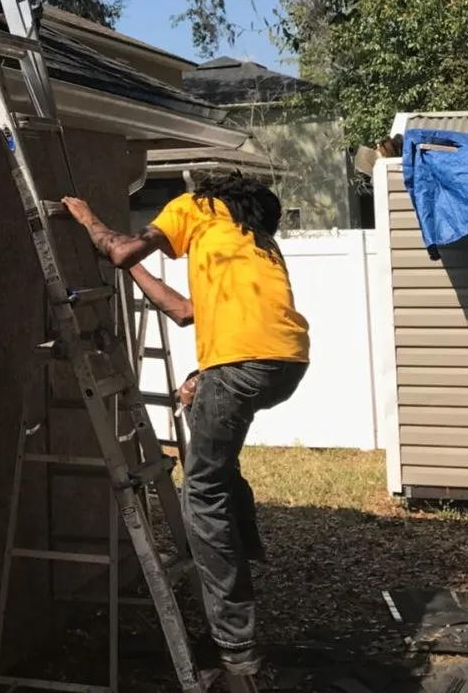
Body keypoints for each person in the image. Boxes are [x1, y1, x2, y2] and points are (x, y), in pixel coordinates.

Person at [61, 173, 310, 677]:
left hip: (240, 366)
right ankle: (244, 538)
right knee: (211, 434)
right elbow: (182, 311)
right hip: (286, 364)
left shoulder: (195, 205)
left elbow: (125, 249)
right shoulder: (251, 243)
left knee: (200, 494)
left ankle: (233, 643)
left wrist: (90, 222)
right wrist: (129, 272)